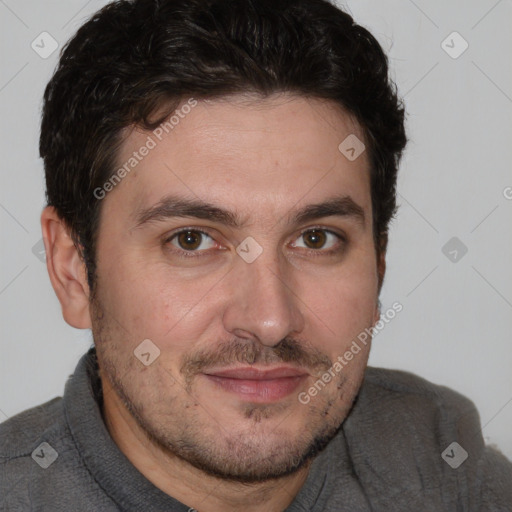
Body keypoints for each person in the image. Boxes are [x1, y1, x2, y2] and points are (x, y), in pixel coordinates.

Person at [1, 0, 511, 510]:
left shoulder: (444, 466)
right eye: (192, 240)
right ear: (73, 270)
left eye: (316, 239)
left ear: (379, 262)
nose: (270, 320)